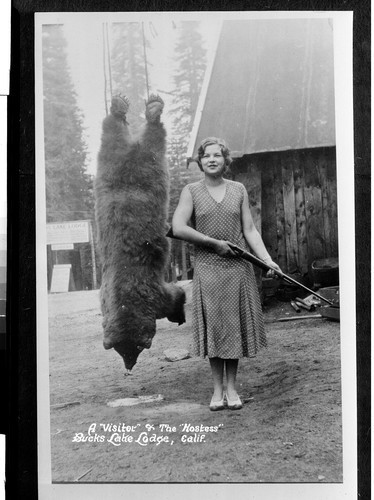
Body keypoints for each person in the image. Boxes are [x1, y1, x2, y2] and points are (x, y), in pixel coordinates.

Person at [172, 137, 281, 411]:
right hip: (208, 269)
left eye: (217, 155)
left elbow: (250, 230)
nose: (211, 159)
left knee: (233, 328)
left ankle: (232, 389)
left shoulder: (238, 190)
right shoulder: (191, 191)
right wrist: (213, 244)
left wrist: (267, 261)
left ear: (225, 160)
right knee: (216, 328)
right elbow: (178, 227)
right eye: (206, 155)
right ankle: (216, 390)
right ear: (200, 160)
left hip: (237, 269)